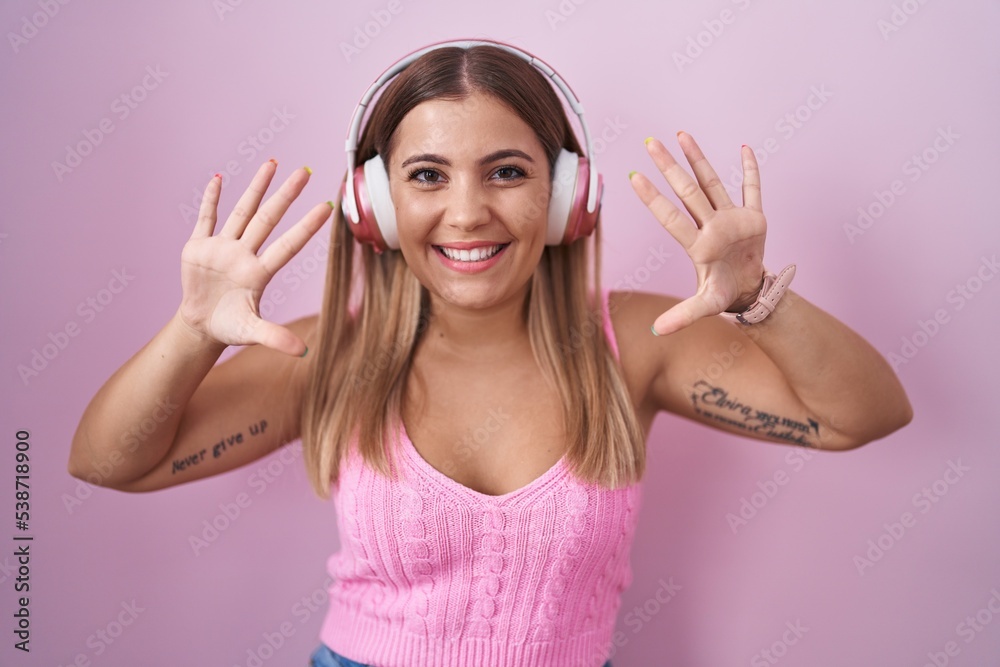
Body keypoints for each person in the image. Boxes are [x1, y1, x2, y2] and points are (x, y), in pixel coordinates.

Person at [69, 40, 912, 667]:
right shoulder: (328, 352)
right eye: (427, 176)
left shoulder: (635, 347)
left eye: (506, 171)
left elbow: (863, 415)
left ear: (563, 196)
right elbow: (109, 461)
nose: (467, 212)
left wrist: (757, 297)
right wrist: (192, 330)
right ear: (379, 206)